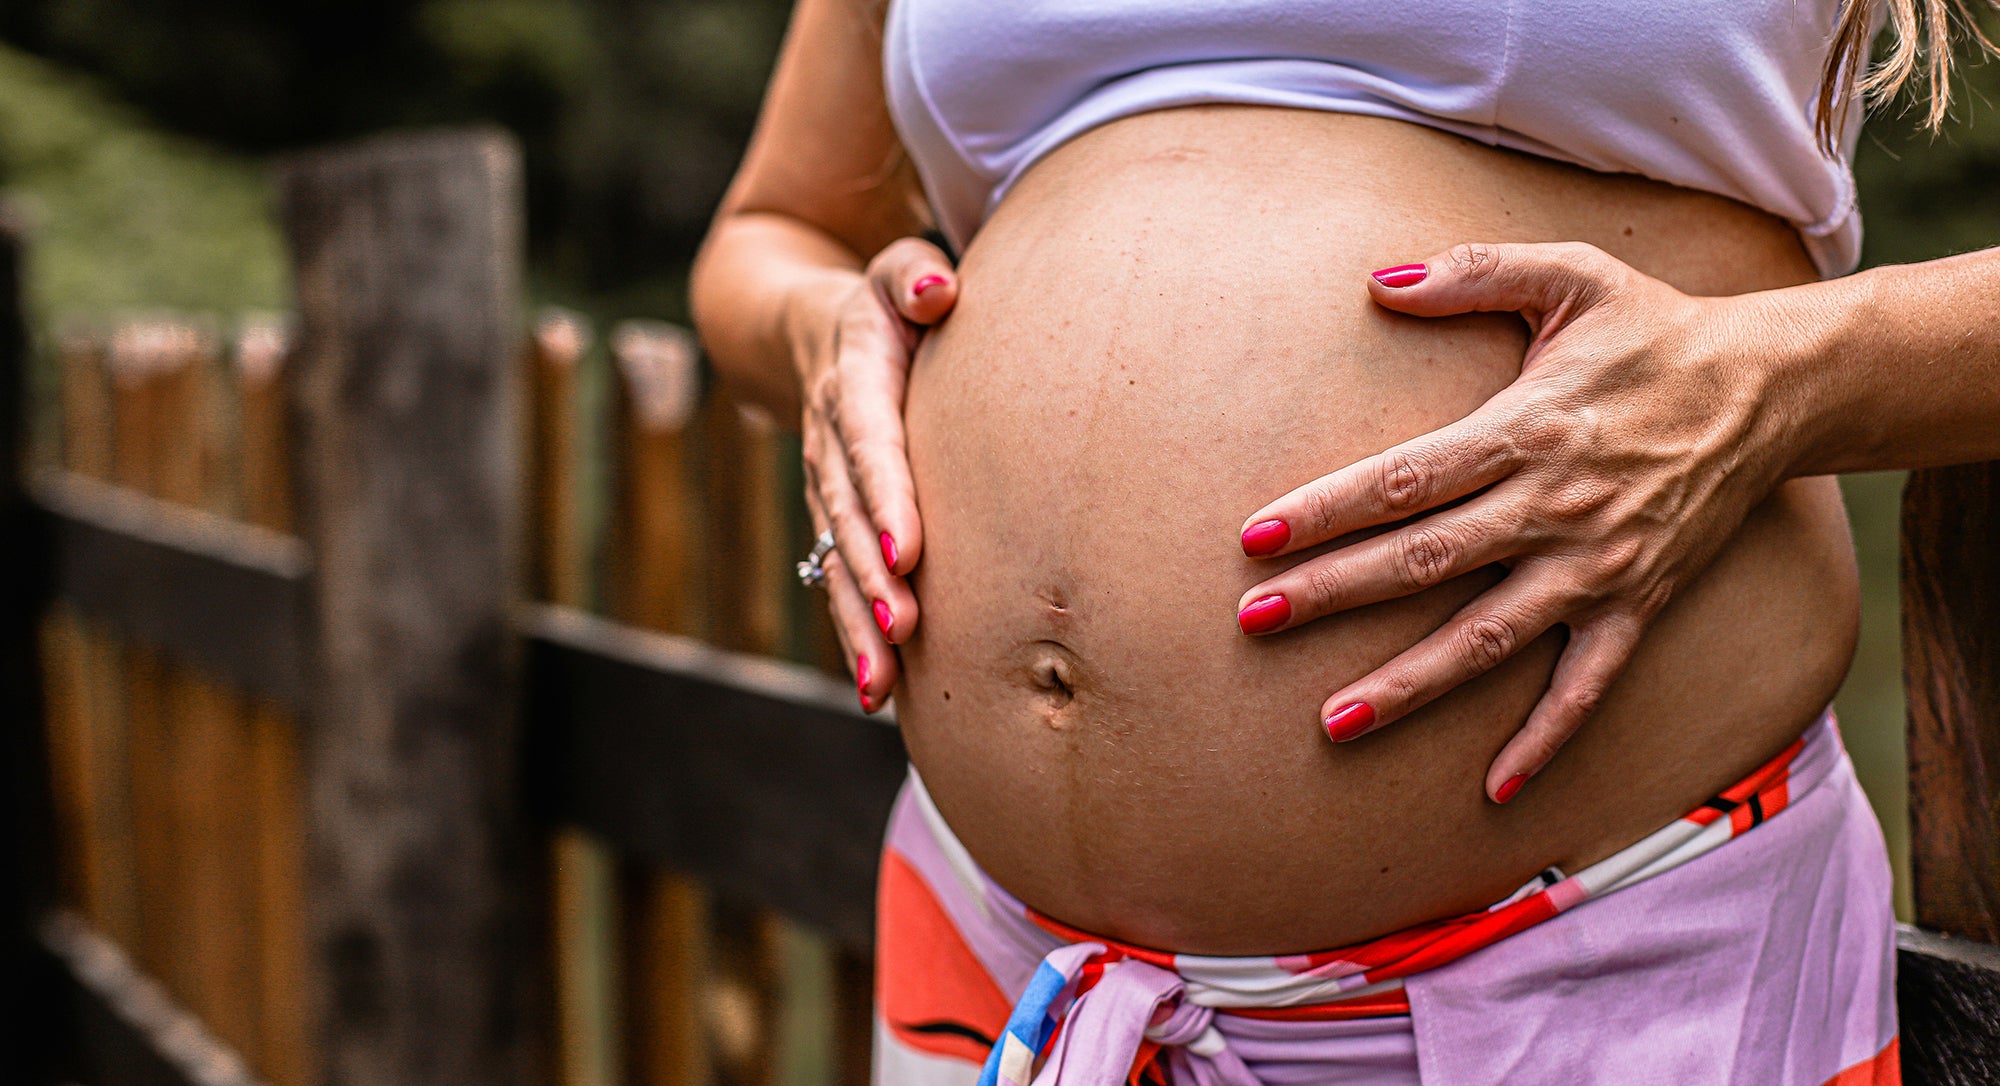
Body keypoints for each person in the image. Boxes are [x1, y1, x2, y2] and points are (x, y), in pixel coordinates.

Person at [691, 0, 1998, 1080]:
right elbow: (773, 233)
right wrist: (823, 332)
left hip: (1594, 980)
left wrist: (1780, 374)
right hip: (1008, 970)